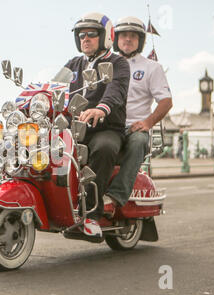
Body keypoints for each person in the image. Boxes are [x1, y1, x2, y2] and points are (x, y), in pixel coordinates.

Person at [64, 12, 130, 237]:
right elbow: (54, 86)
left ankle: (91, 215)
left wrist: (100, 108)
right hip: (74, 126)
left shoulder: (117, 62)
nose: (85, 38)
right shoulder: (73, 64)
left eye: (92, 34)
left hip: (106, 128)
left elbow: (117, 89)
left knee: (103, 149)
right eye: (81, 34)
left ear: (106, 36)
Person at [104, 16, 173, 212]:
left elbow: (166, 101)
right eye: (123, 35)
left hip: (133, 127)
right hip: (108, 126)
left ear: (140, 41)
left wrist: (148, 122)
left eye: (133, 36)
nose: (127, 39)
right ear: (116, 39)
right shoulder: (105, 65)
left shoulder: (151, 67)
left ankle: (115, 197)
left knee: (138, 142)